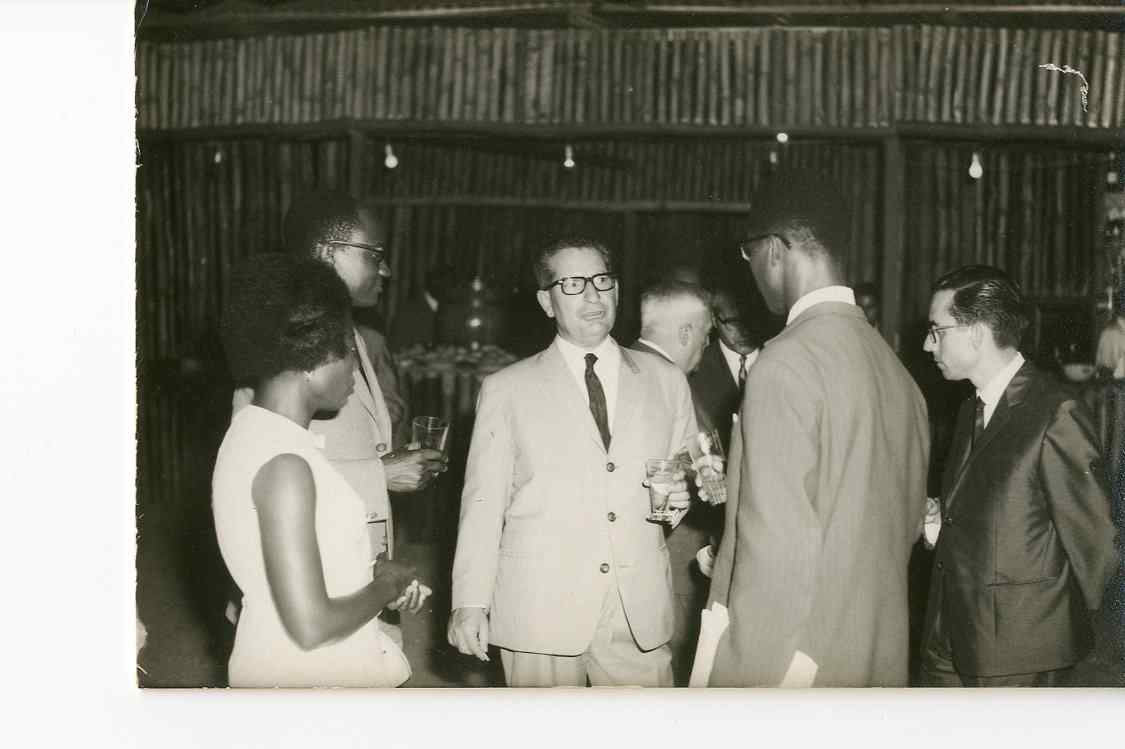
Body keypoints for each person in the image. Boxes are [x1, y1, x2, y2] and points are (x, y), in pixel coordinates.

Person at [702, 169, 930, 687]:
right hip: (876, 661)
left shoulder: (783, 365)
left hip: (794, 672)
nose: (750, 271)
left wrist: (738, 687)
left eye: (748, 254)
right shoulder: (897, 373)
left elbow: (774, 558)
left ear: (773, 250)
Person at [447, 237, 703, 687]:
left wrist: (683, 493)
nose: (592, 295)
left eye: (602, 281)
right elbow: (482, 503)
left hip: (636, 610)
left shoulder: (666, 381)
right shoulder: (507, 389)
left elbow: (682, 475)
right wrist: (469, 602)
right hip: (540, 606)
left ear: (617, 291)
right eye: (572, 284)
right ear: (547, 302)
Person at [232, 192, 444, 644]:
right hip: (314, 589)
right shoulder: (277, 356)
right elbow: (252, 476)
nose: (386, 270)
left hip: (362, 571)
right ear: (329, 253)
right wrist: (379, 473)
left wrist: (391, 460)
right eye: (375, 255)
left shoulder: (360, 339)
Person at [213, 254, 428, 687]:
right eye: (347, 350)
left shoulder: (255, 432)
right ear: (312, 359)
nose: (355, 365)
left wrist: (364, 572)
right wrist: (386, 585)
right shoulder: (286, 464)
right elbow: (312, 626)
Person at [918, 264, 1119, 687]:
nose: (927, 344)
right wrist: (939, 524)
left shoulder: (1055, 412)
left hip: (1018, 656)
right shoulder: (968, 410)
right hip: (949, 636)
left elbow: (1098, 547)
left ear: (976, 333)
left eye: (937, 331)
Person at [630, 279, 717, 686]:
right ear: (685, 332)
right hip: (672, 563)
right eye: (706, 334)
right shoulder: (667, 381)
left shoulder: (623, 369)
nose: (706, 345)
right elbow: (696, 473)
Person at [690, 287, 761, 441]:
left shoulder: (782, 359)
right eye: (732, 322)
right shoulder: (692, 371)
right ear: (713, 320)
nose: (744, 330)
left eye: (750, 319)